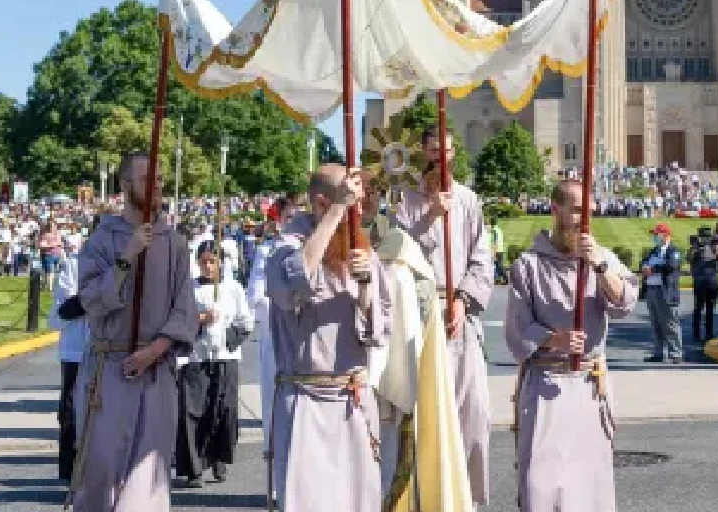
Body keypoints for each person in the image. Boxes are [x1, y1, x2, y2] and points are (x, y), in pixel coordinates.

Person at [68, 152, 199, 512]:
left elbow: (185, 307)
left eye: (159, 180)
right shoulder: (102, 239)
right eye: (147, 180)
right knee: (101, 470)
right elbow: (91, 298)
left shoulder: (174, 243)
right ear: (126, 186)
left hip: (155, 370)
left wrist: (155, 350)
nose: (156, 186)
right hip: (109, 368)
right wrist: (127, 257)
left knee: (148, 477)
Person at [505, 180, 638, 512]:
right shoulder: (529, 265)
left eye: (588, 210)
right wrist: (554, 339)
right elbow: (517, 329)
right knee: (540, 486)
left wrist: (599, 266)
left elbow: (624, 303)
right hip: (545, 386)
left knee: (589, 491)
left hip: (588, 387)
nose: (584, 218)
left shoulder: (600, 257)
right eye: (577, 209)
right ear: (556, 210)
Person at [266, 165, 389, 512]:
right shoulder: (286, 248)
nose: (360, 216)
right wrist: (338, 210)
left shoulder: (361, 250)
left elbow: (377, 332)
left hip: (352, 398)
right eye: (353, 207)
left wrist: (365, 287)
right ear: (322, 204)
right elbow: (293, 286)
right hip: (306, 400)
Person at [391, 125, 495, 505]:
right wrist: (431, 217)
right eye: (434, 151)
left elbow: (483, 260)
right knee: (426, 416)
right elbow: (396, 255)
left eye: (447, 151)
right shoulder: (403, 200)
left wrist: (463, 299)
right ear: (422, 152)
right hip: (418, 316)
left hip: (459, 316)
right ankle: (424, 497)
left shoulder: (468, 200)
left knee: (475, 414)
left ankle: (465, 498)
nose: (441, 158)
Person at [175, 241, 253, 488]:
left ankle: (219, 456)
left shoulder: (234, 288)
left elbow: (245, 322)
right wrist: (200, 320)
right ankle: (194, 467)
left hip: (225, 358)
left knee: (224, 410)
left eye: (213, 261)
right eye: (204, 261)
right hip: (196, 358)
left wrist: (228, 339)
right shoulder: (189, 289)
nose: (208, 266)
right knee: (193, 411)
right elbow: (178, 321)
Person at [247, 199, 292, 460]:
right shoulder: (268, 252)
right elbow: (255, 296)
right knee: (273, 405)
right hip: (275, 336)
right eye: (288, 218)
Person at [49, 236, 89, 482]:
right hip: (76, 350)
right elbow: (65, 307)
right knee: (72, 410)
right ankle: (70, 468)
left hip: (110, 350)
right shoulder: (74, 265)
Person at [640, 221, 683, 363]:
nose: (655, 237)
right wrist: (645, 268)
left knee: (670, 323)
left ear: (665, 235)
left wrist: (653, 269)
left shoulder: (673, 251)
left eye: (657, 234)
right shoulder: (654, 251)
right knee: (655, 323)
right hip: (651, 290)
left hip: (665, 292)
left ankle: (676, 353)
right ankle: (658, 353)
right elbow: (644, 263)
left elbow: (672, 265)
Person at [687, 226, 718, 344]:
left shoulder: (714, 247)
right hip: (699, 281)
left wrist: (717, 249)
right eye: (703, 237)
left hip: (712, 281)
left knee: (710, 308)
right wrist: (695, 249)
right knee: (698, 308)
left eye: (707, 237)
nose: (705, 239)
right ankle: (696, 333)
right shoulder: (695, 248)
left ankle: (709, 332)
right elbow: (689, 258)